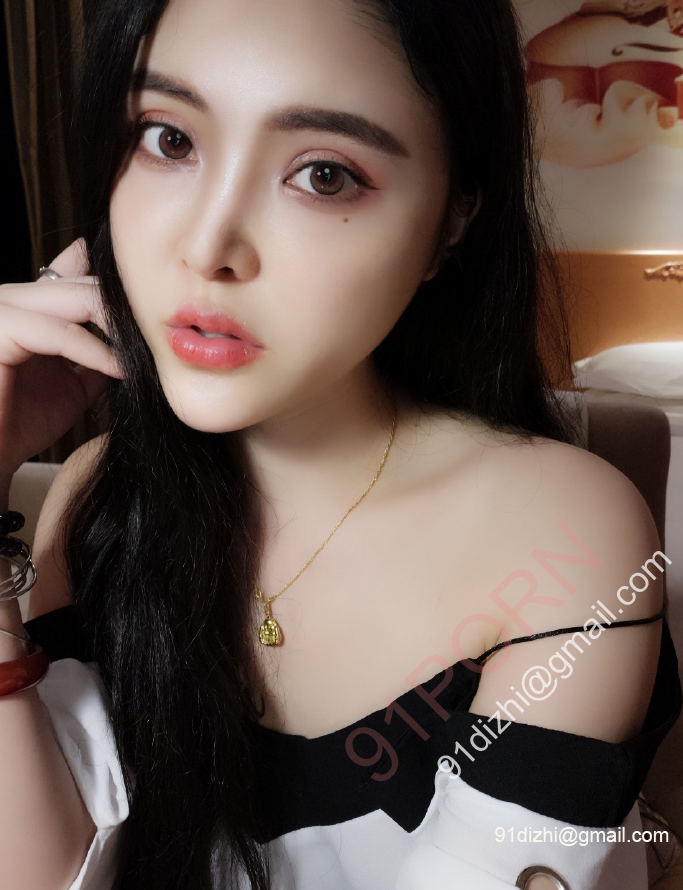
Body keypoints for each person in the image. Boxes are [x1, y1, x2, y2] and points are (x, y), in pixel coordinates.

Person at [0, 0, 680, 888]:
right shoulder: (96, 493)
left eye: (324, 175)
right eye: (169, 140)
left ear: (451, 221)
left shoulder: (561, 532)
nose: (205, 248)